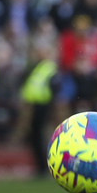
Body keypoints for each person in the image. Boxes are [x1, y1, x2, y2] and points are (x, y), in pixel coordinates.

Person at [19, 40, 60, 178]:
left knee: (40, 135)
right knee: (35, 136)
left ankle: (44, 166)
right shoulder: (38, 67)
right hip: (34, 105)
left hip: (44, 105)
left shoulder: (48, 68)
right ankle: (40, 166)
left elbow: (54, 88)